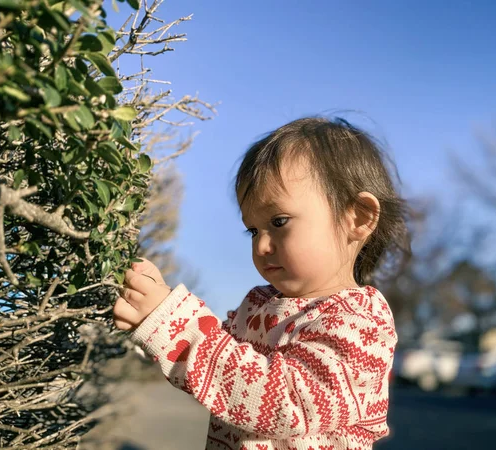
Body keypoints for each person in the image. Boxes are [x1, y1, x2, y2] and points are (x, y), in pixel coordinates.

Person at [113, 116, 410, 450]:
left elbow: (283, 402)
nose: (261, 246)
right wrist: (153, 315)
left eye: (278, 221)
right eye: (253, 230)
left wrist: (173, 325)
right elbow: (211, 374)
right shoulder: (258, 305)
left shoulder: (360, 324)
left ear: (358, 218)